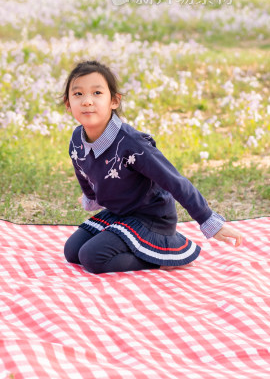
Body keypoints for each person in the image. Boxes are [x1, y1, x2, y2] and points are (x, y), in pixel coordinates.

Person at [62, 60, 243, 274]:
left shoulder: (133, 144)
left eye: (97, 93)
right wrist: (91, 197)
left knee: (92, 258)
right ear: (68, 104)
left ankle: (164, 258)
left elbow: (174, 181)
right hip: (121, 213)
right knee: (72, 251)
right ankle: (135, 247)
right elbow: (83, 170)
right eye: (78, 94)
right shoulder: (77, 138)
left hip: (151, 218)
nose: (87, 101)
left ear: (114, 101)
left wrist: (210, 221)